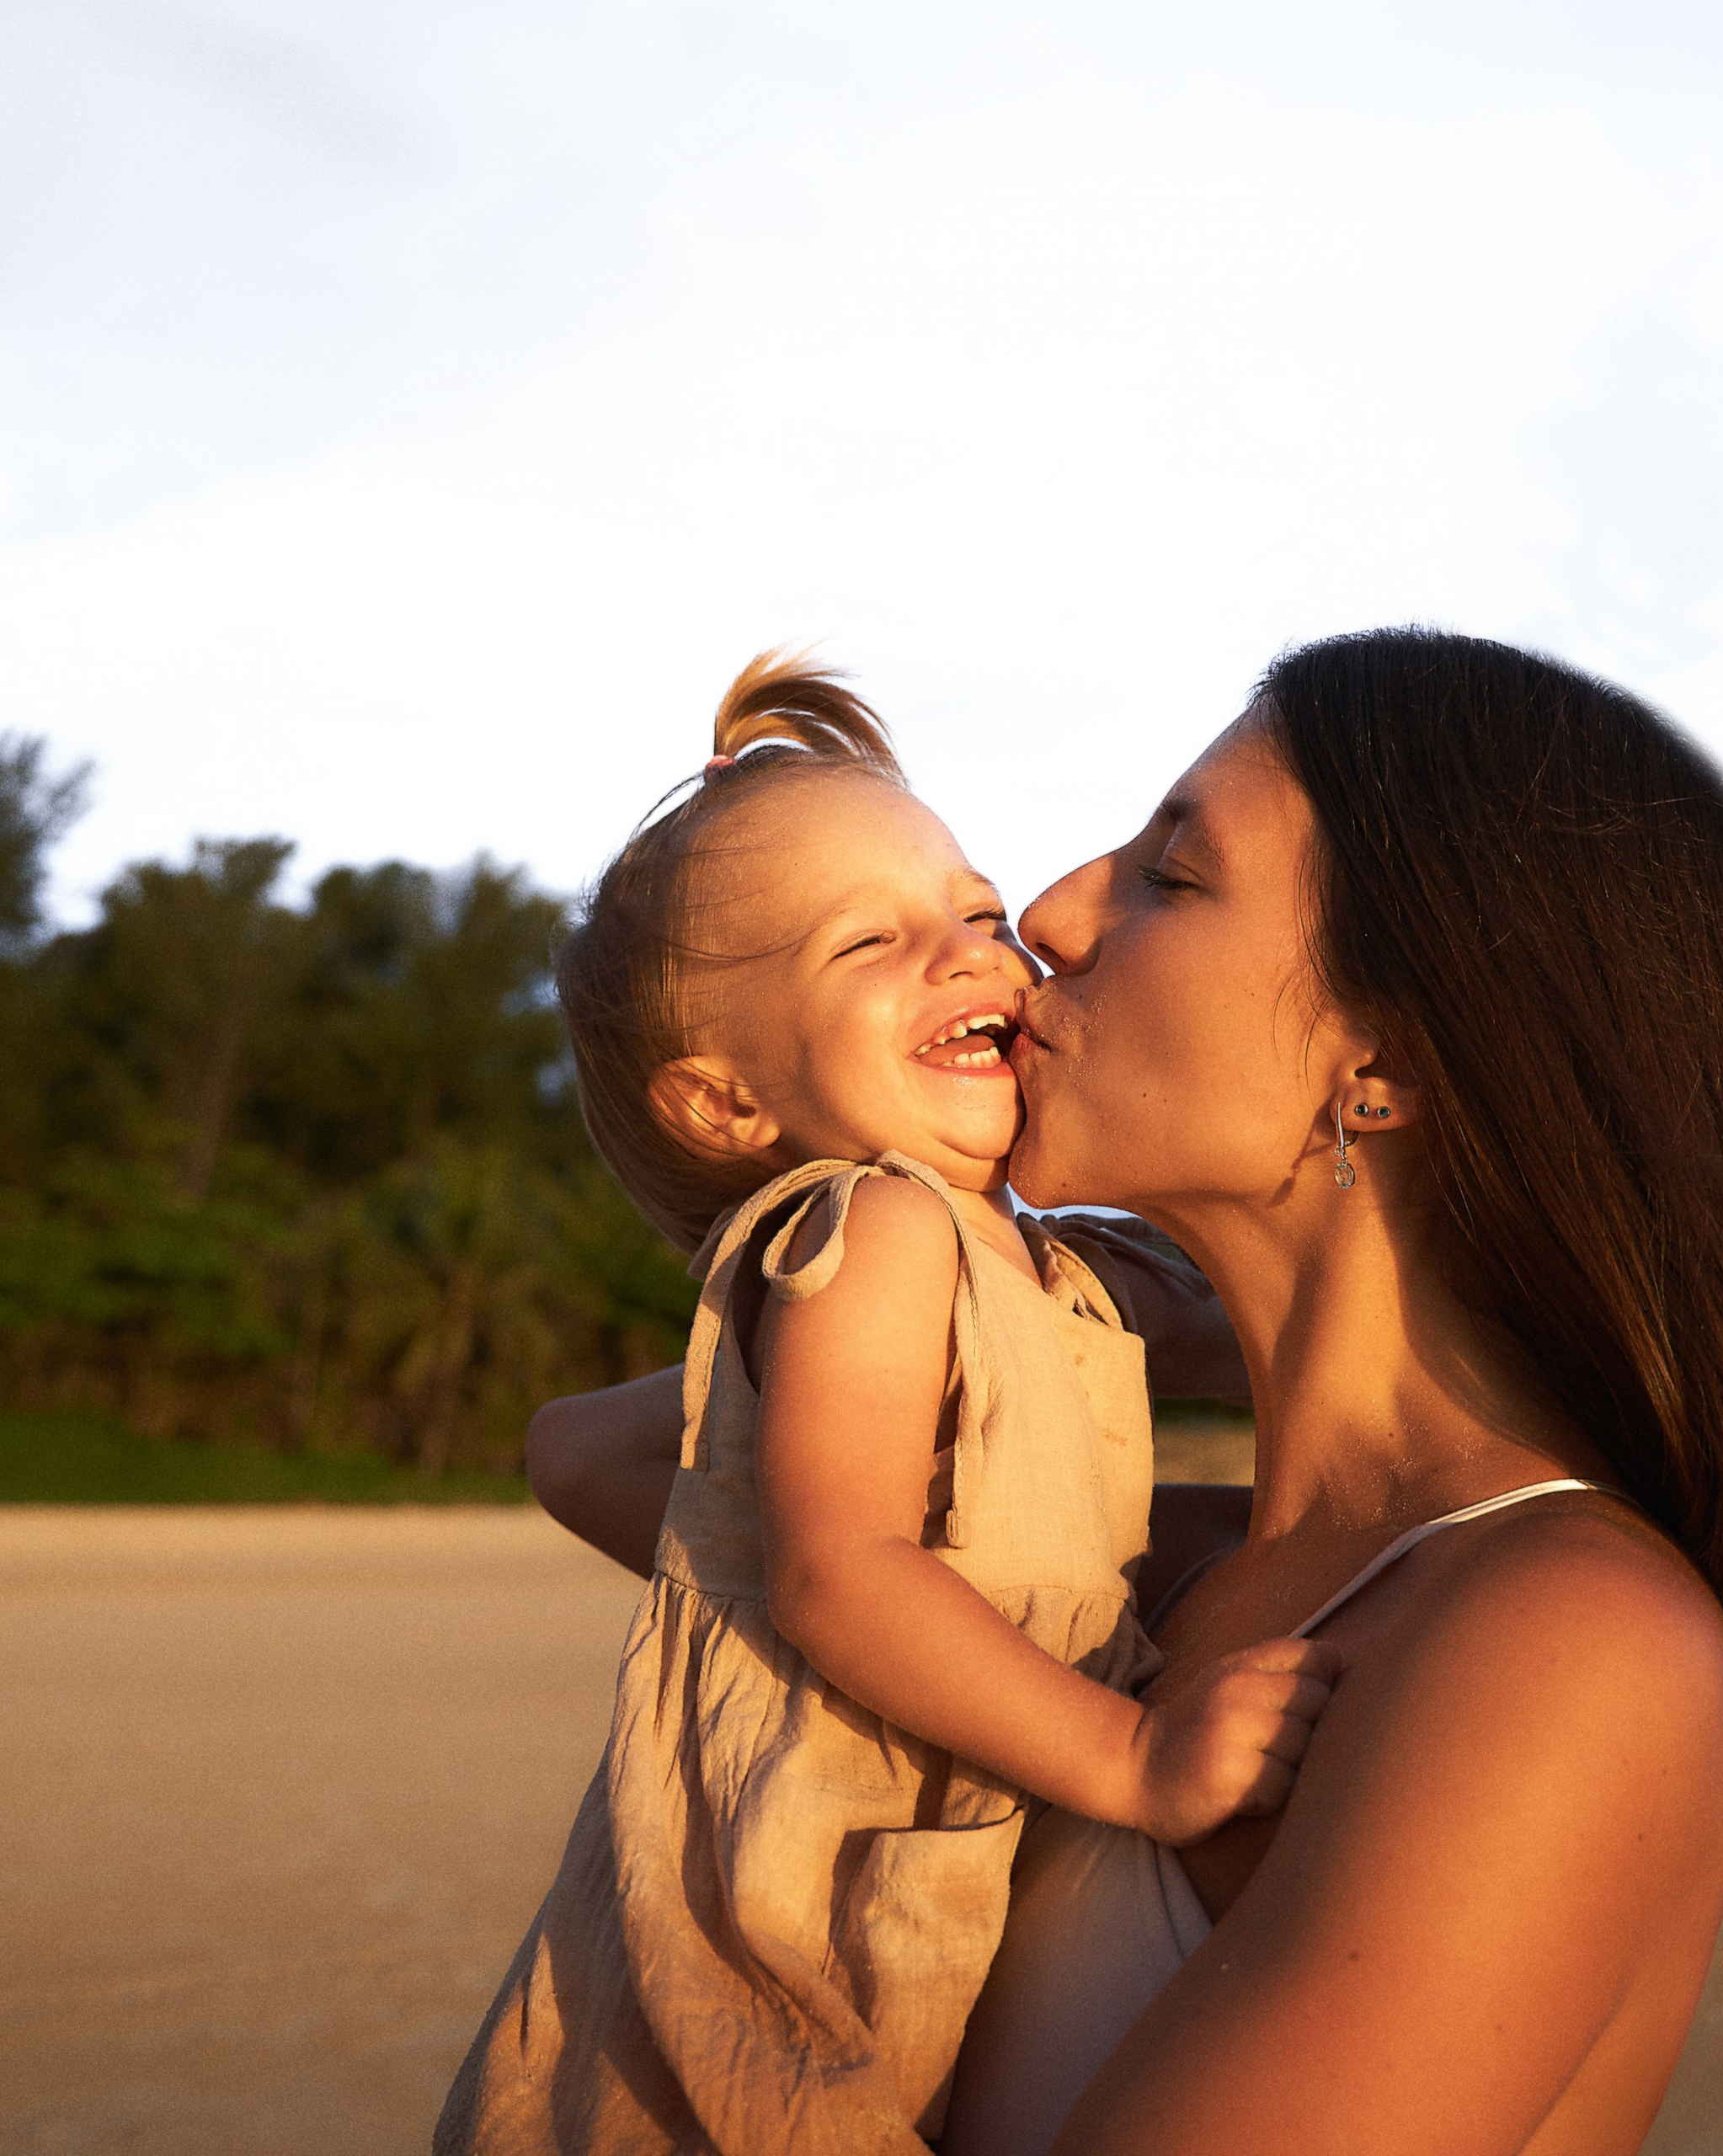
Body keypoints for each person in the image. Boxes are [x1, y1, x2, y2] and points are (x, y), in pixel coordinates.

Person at [529, 627, 1723, 2155]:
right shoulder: (1119, 1574)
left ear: (1385, 1062)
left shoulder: (1560, 1646)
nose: (1046, 917)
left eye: (1171, 877)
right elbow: (589, 1455)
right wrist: (961, 1295)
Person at [435, 653, 1335, 2156]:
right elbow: (839, 1575)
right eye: (870, 941)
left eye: (976, 914)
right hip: (765, 1989)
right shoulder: (880, 1226)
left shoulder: (1043, 1271)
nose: (970, 956)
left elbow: (1265, 1331)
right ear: (727, 1100)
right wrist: (1129, 1758)